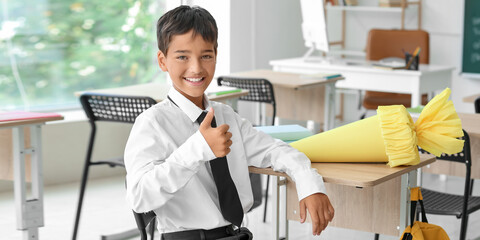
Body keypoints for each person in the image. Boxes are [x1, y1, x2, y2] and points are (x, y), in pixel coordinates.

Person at [124, 5, 334, 240]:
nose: (196, 67)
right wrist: (198, 149)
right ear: (163, 61)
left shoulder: (226, 116)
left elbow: (275, 150)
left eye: (206, 56)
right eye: (182, 56)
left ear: (216, 56)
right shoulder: (152, 123)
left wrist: (309, 184)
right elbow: (139, 197)